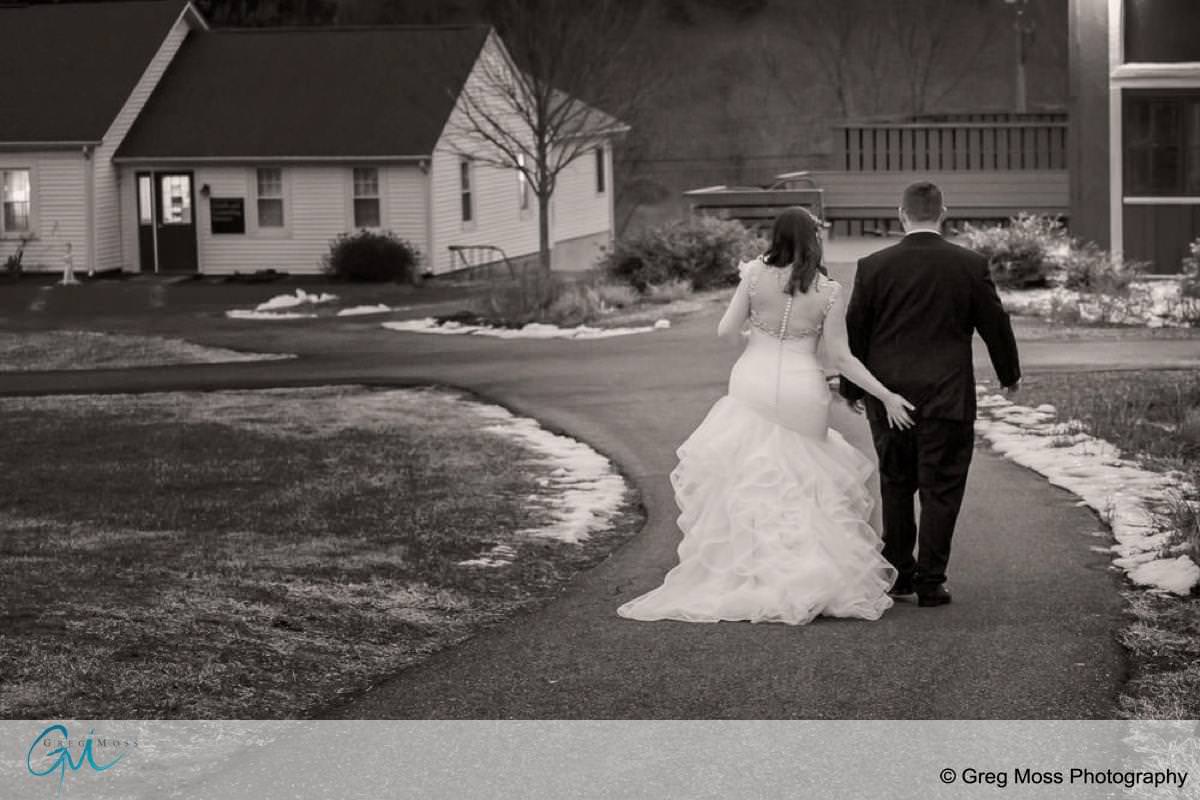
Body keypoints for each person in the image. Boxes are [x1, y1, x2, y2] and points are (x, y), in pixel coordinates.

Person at [617, 207, 914, 626]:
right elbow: (843, 358)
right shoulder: (828, 291)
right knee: (801, 482)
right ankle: (810, 578)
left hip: (753, 383)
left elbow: (724, 331)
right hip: (802, 389)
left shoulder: (755, 275)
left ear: (776, 237)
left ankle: (750, 573)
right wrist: (885, 395)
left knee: (748, 478)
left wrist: (756, 328)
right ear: (813, 239)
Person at [841, 181, 1021, 607]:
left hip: (889, 395)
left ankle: (899, 574)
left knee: (897, 483)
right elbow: (995, 323)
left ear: (900, 213)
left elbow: (856, 331)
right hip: (947, 394)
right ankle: (931, 581)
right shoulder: (969, 264)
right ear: (944, 213)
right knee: (942, 487)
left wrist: (853, 388)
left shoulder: (873, 266)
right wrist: (1008, 374)